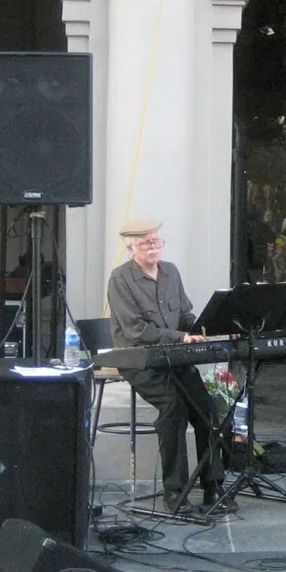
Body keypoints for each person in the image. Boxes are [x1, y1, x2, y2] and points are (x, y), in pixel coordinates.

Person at [106, 218, 222, 512]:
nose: (154, 246)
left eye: (157, 241)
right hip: (140, 361)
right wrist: (180, 336)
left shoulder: (171, 272)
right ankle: (175, 491)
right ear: (131, 247)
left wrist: (208, 330)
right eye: (146, 242)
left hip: (176, 357)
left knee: (207, 409)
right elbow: (135, 331)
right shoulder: (120, 279)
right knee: (174, 407)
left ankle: (213, 486)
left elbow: (185, 315)